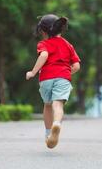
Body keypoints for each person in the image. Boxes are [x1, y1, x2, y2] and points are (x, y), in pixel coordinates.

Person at [26, 14, 81, 149]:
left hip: (46, 78)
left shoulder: (43, 44)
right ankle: (57, 123)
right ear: (60, 29)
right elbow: (76, 66)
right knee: (58, 105)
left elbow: (44, 55)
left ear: (43, 31)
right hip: (63, 77)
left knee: (48, 104)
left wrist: (32, 72)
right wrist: (66, 72)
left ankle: (48, 132)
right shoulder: (68, 45)